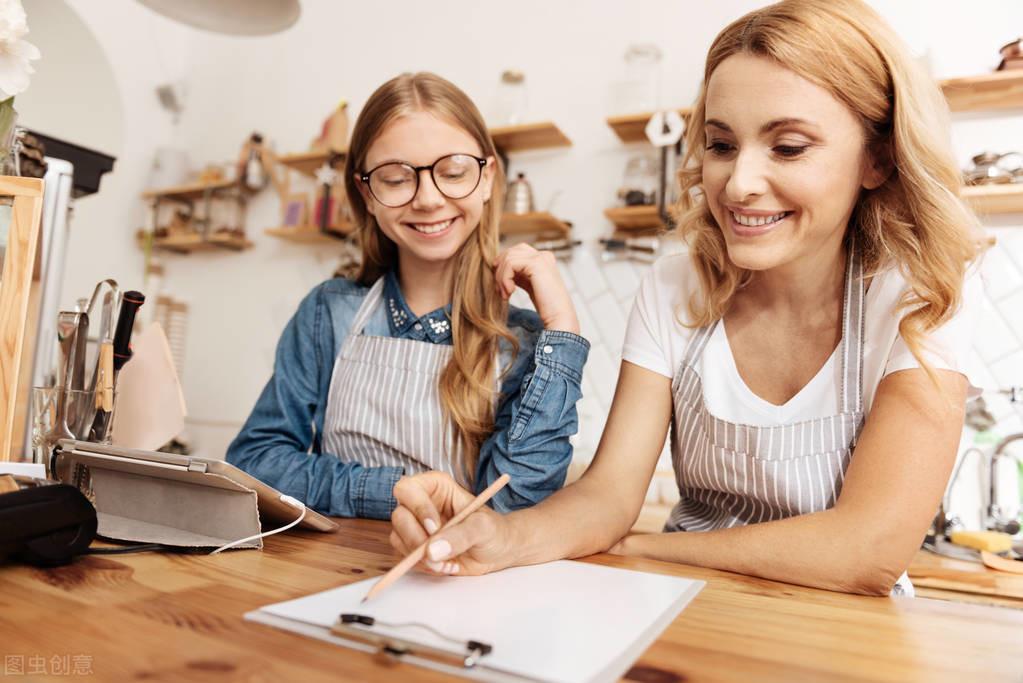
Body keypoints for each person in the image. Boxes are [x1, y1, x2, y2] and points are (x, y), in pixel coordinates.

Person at [387, 0, 986, 594]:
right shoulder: (674, 287)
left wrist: (647, 545)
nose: (740, 184)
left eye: (789, 147)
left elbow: (868, 552)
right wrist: (501, 539)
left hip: (836, 629)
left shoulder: (921, 302)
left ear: (876, 159)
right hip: (680, 603)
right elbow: (609, 495)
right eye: (723, 146)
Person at [227, 72, 589, 519]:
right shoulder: (329, 312)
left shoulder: (526, 341)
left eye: (453, 172)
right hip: (330, 572)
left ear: (488, 177)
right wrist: (395, 491)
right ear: (367, 192)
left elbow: (512, 508)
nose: (428, 198)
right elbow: (255, 461)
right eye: (397, 179)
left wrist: (564, 330)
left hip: (462, 582)